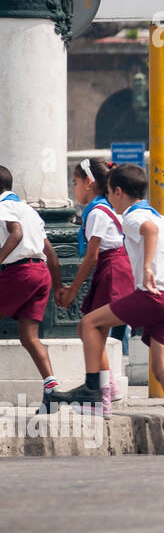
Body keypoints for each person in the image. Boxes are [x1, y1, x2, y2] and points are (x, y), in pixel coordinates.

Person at [47, 164, 164, 454]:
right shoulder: (156, 215)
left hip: (150, 297)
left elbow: (146, 232)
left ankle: (93, 386)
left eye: (110, 193)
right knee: (162, 368)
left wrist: (146, 267)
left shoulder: (133, 217)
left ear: (118, 191)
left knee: (88, 324)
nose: (110, 199)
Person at [53, 157, 132, 410]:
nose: (73, 188)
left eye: (75, 182)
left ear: (88, 182)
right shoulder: (104, 208)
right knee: (92, 331)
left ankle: (102, 394)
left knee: (91, 329)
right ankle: (108, 389)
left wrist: (73, 289)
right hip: (111, 268)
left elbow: (92, 255)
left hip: (112, 270)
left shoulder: (97, 212)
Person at [0, 165, 63, 407]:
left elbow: (15, 234)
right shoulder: (30, 211)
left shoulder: (3, 206)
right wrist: (57, 286)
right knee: (29, 336)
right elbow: (51, 253)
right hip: (41, 273)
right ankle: (51, 388)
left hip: (20, 271)